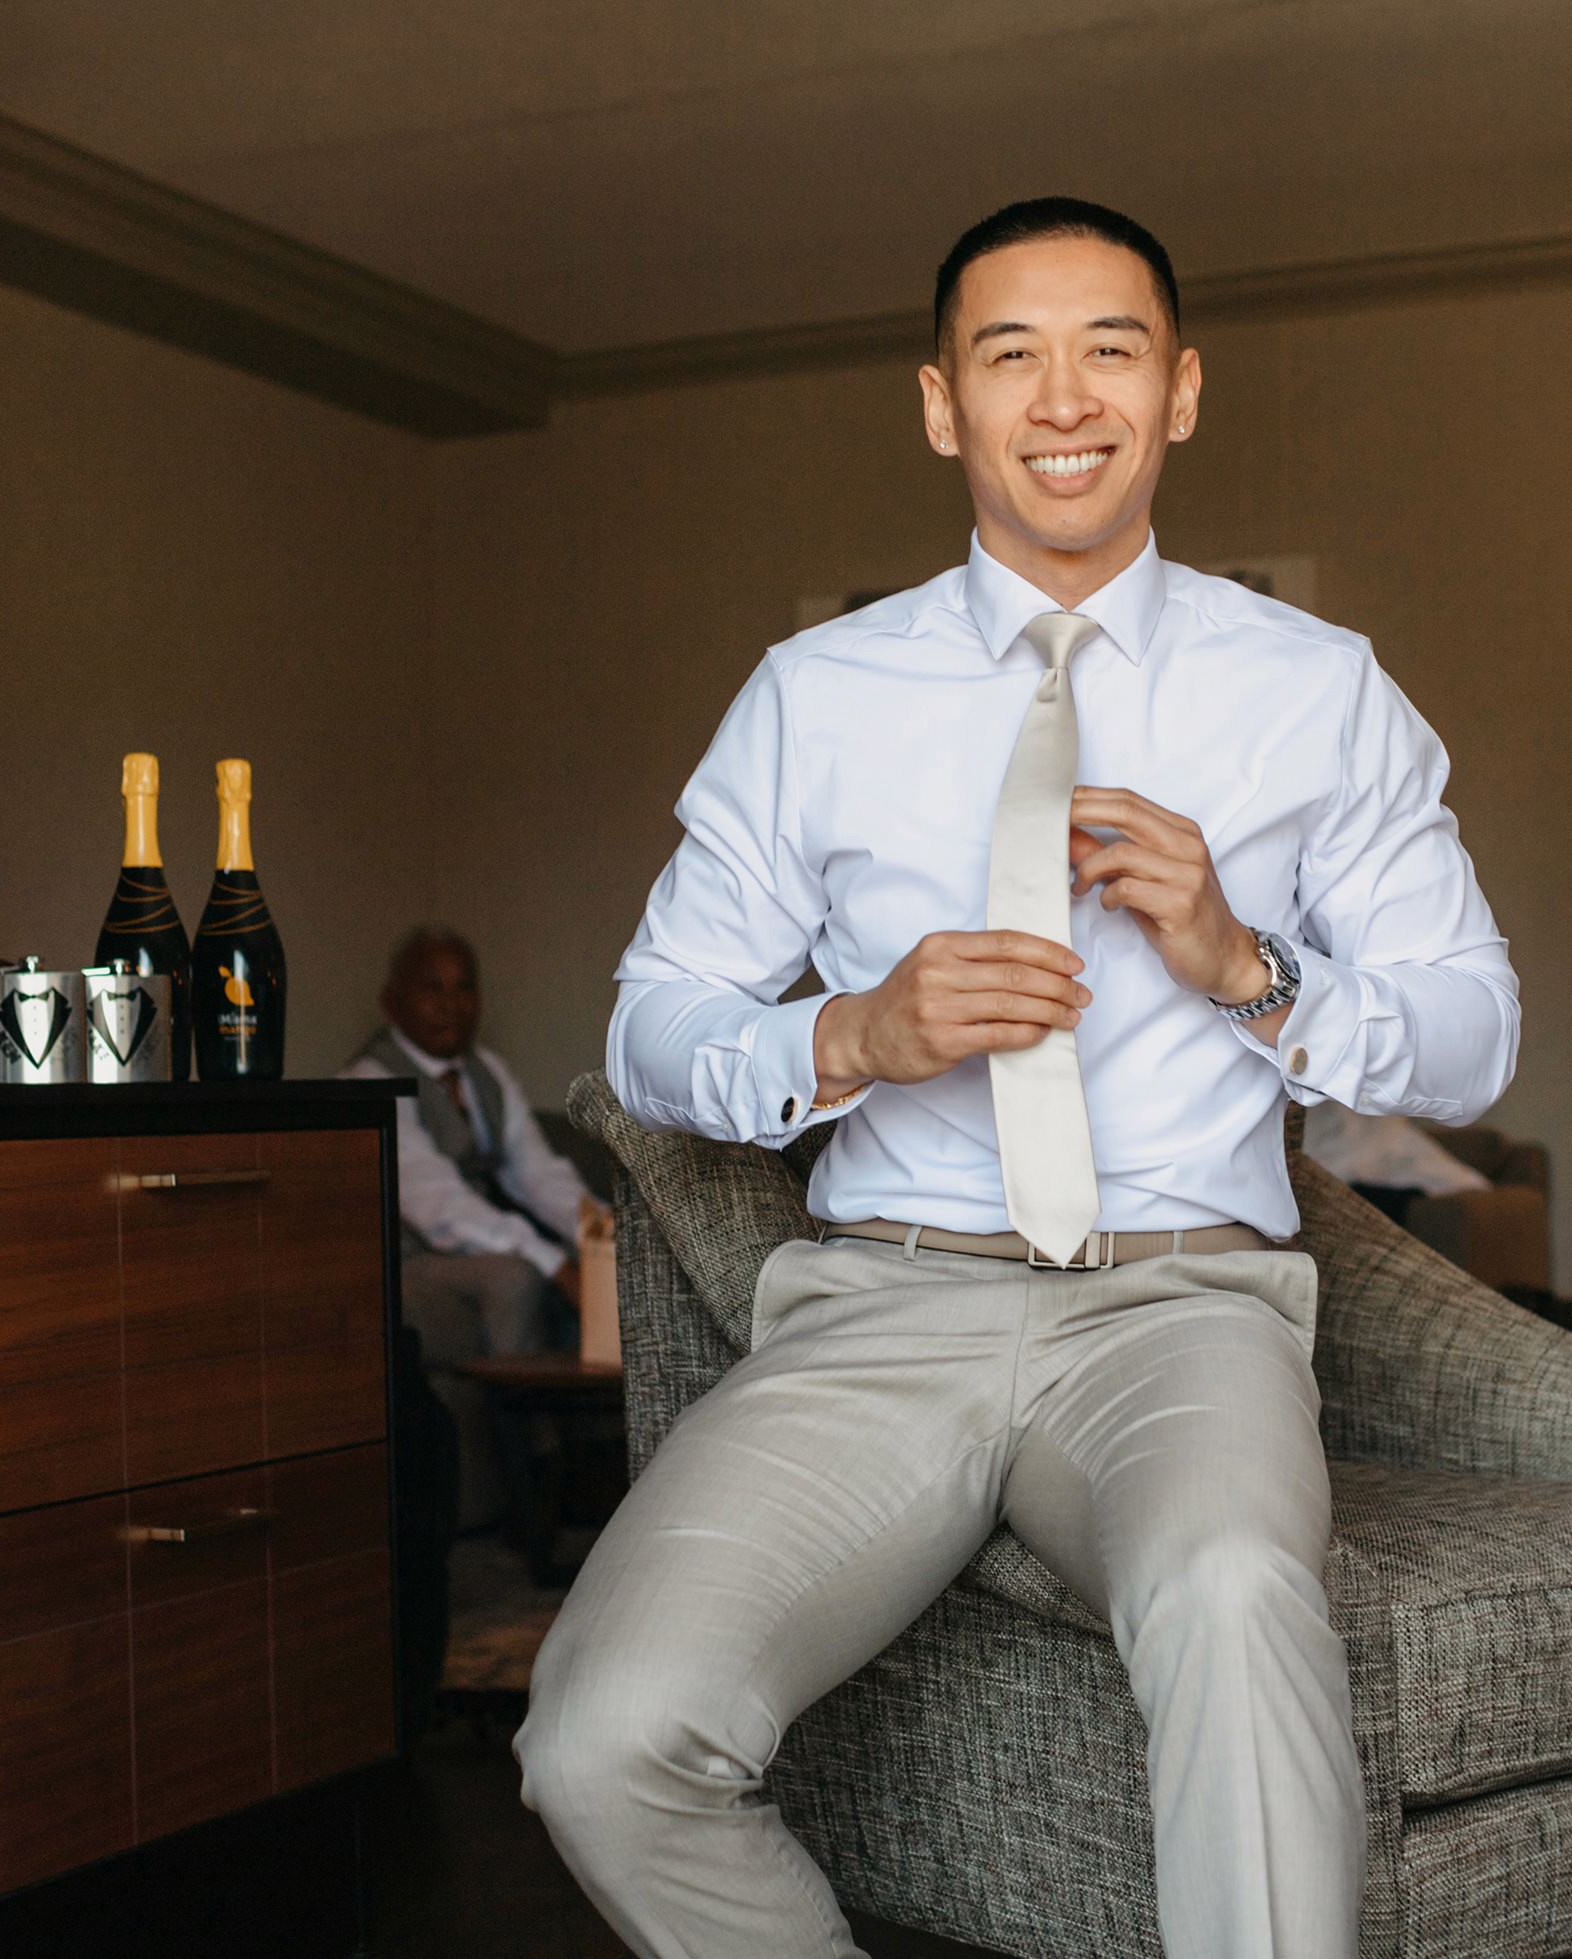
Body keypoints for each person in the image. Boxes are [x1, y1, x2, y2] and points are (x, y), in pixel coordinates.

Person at [514, 198, 1518, 1958]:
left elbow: (1474, 1025)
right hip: (873, 1305)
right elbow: (645, 1028)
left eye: (1108, 348)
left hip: (1178, 1306)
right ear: (939, 404)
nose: (1063, 398)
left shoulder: (1314, 690)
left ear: (1179, 391)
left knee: (1229, 1589)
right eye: (1008, 354)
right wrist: (853, 1033)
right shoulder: (814, 694)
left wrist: (1243, 965)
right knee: (599, 1739)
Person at [342, 926, 598, 1533]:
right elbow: (440, 1207)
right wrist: (551, 1262)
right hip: (414, 1256)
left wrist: (600, 1234)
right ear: (391, 1001)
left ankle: (599, 1460)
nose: (451, 1004)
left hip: (482, 1239)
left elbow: (539, 1173)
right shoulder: (372, 1082)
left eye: (464, 988)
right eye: (432, 989)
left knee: (588, 1260)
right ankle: (537, 1470)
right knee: (515, 1278)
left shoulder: (487, 1073)